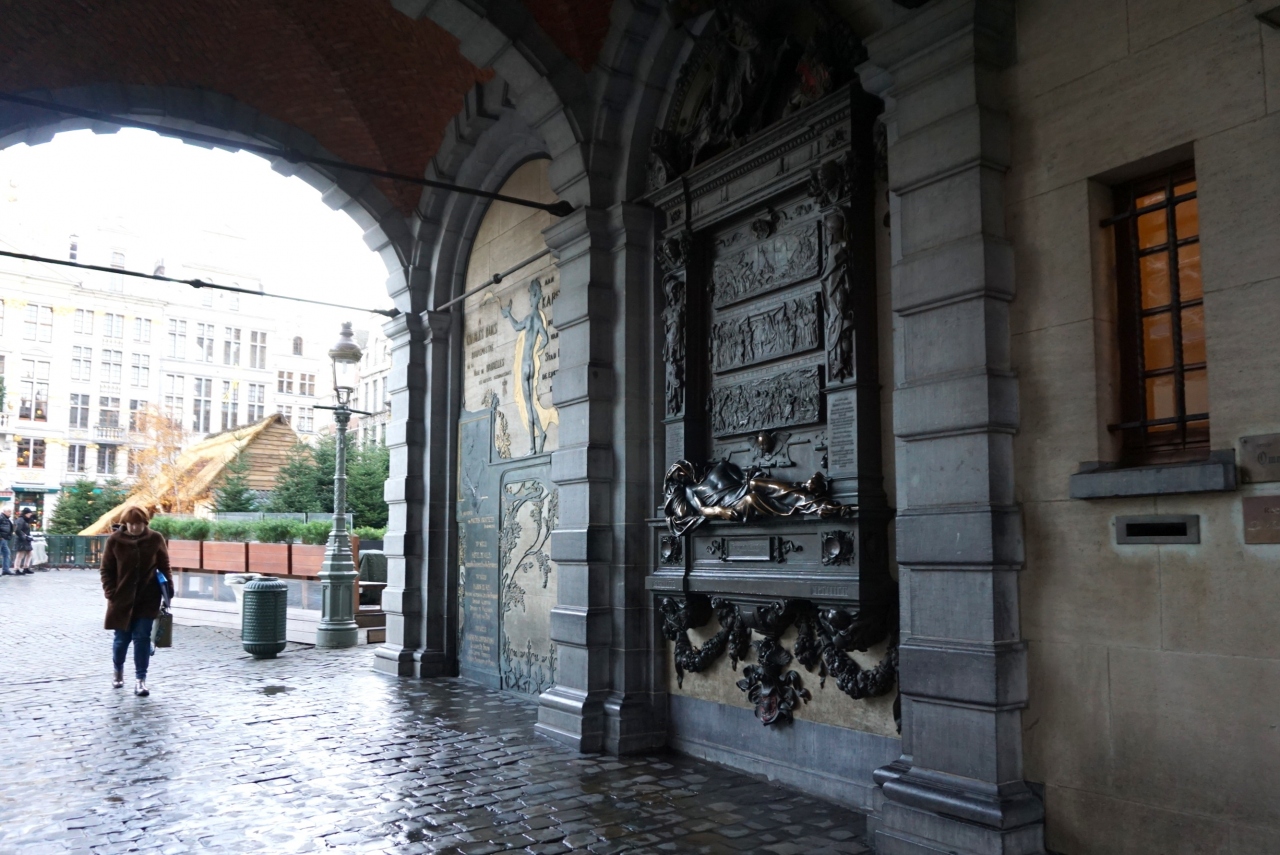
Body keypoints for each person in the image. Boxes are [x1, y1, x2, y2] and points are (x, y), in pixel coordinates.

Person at [100, 506, 172, 696]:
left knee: (142, 638)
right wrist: (111, 592)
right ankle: (118, 671)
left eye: (138, 524)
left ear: (145, 523)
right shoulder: (114, 540)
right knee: (121, 640)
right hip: (121, 599)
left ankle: (141, 680)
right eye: (130, 524)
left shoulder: (155, 538)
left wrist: (168, 592)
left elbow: (165, 566)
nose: (134, 527)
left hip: (147, 598)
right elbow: (106, 569)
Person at [12, 508, 34, 574]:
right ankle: (17, 569)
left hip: (25, 539)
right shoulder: (20, 520)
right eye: (29, 513)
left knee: (29, 553)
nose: (30, 515)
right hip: (21, 539)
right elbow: (17, 530)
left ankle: (26, 567)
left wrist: (27, 537)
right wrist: (24, 537)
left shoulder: (25, 520)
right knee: (20, 554)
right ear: (26, 514)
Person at [0, 505, 13, 576]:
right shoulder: (1, 518)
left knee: (7, 553)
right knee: (6, 553)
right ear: (4, 511)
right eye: (9, 511)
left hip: (4, 539)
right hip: (1, 538)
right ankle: (5, 569)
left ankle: (5, 570)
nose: (10, 513)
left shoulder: (6, 519)